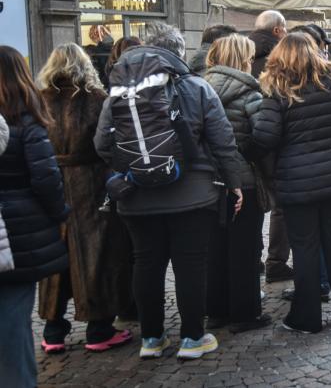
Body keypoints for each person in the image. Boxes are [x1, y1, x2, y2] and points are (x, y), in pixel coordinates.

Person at [94, 24, 244, 360]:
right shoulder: (197, 86)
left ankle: (151, 339)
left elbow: (102, 144)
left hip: (135, 197)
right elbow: (223, 141)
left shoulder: (119, 93)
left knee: (146, 263)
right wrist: (233, 183)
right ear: (178, 53)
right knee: (191, 265)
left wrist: (135, 168)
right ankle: (192, 338)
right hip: (193, 195)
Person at [253, 33, 331, 333]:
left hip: (296, 179)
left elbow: (265, 137)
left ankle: (306, 317)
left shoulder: (277, 87)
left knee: (305, 246)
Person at [37, 44, 133, 353]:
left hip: (52, 182)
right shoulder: (97, 99)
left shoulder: (38, 101)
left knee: (55, 257)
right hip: (91, 184)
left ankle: (53, 331)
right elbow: (110, 143)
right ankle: (99, 329)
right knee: (97, 255)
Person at [0, 46, 68, 388]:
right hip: (19, 234)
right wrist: (60, 214)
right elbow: (45, 178)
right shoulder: (25, 120)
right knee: (14, 320)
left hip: (15, 230)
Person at [202, 34, 271, 333]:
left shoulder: (200, 87)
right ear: (243, 58)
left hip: (209, 180)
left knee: (215, 247)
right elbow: (263, 136)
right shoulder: (249, 92)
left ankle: (216, 310)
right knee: (245, 248)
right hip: (243, 180)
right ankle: (245, 313)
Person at [249, 11, 294, 284]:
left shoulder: (244, 51)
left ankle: (252, 259)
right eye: (285, 29)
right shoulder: (279, 58)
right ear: (277, 30)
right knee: (281, 205)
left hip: (248, 141)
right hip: (274, 140)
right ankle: (276, 260)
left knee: (251, 204)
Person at [250, 10, 288, 77]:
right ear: (276, 30)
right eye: (284, 27)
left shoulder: (242, 51)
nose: (286, 31)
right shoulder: (283, 57)